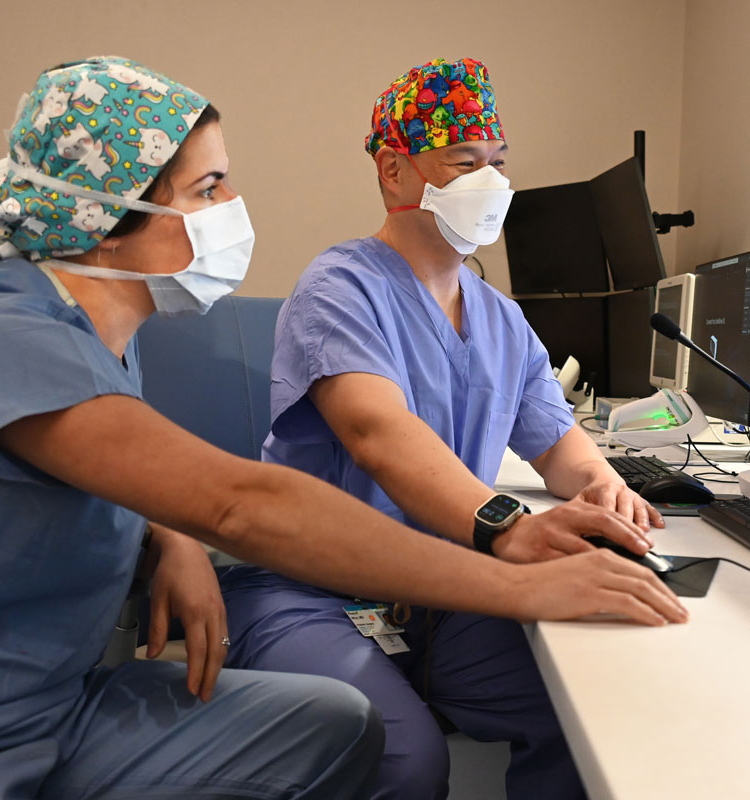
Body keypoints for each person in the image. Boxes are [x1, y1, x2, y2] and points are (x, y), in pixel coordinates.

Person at [0, 56, 682, 799]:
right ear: (105, 216)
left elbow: (99, 469)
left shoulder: (99, 343)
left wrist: (165, 535)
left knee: (353, 724)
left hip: (60, 707)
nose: (232, 211)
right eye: (208, 190)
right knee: (402, 754)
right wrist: (516, 575)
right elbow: (240, 505)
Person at [220, 58, 689, 800]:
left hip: (446, 591)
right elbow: (378, 433)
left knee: (599, 712)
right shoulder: (340, 289)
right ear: (395, 173)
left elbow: (558, 443)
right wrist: (506, 526)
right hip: (314, 592)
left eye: (498, 164)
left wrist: (607, 490)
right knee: (401, 759)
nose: (491, 183)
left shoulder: (500, 316)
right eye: (463, 163)